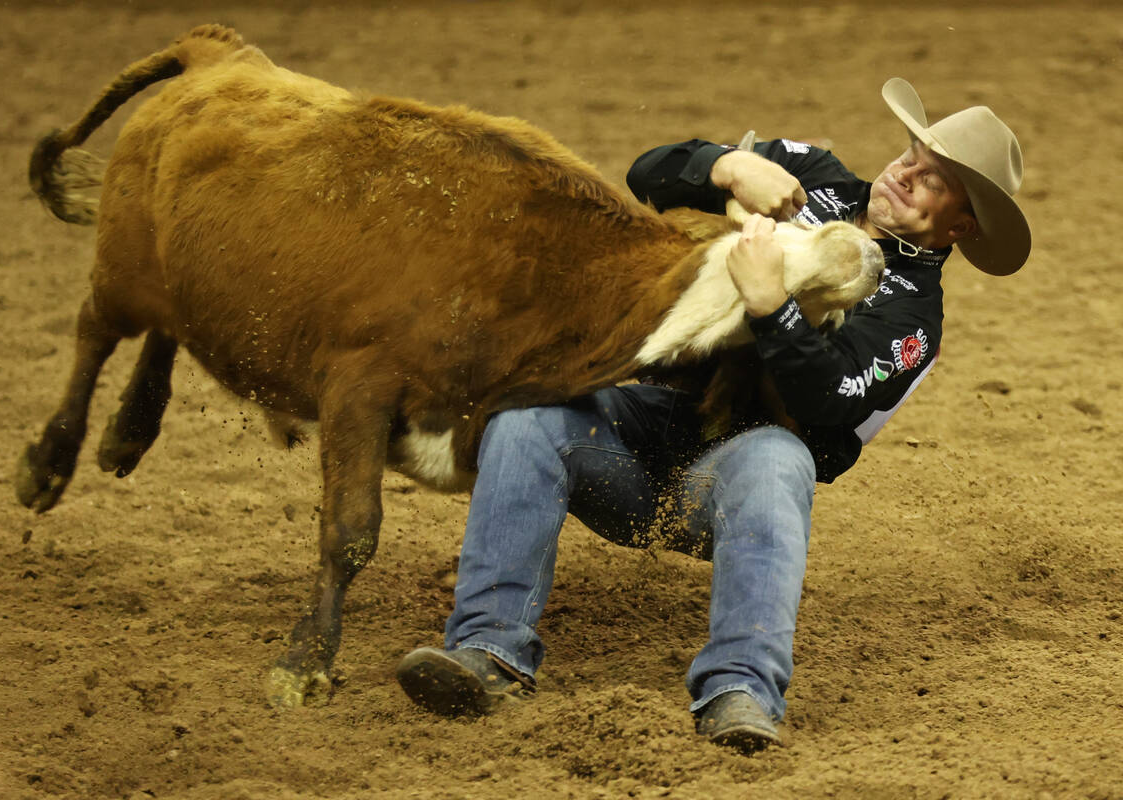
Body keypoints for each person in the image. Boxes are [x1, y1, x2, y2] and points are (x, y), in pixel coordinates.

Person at [395, 78, 1030, 753]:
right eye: (913, 155)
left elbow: (828, 399)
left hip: (734, 483)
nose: (906, 174)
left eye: (934, 181)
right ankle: (486, 653)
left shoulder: (911, 321)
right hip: (644, 423)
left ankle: (743, 690)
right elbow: (650, 175)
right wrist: (727, 165)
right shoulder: (810, 176)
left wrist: (771, 307)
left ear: (959, 228)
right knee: (529, 417)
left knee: (781, 458)